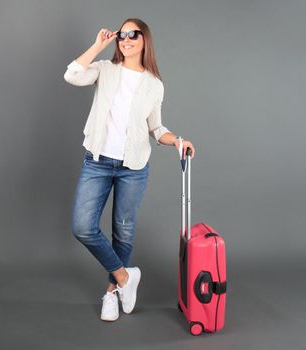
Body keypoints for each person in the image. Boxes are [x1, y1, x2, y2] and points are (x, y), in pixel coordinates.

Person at [64, 18, 196, 321]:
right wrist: (98, 44)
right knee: (83, 227)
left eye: (132, 34)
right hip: (97, 161)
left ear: (144, 40)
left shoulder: (154, 84)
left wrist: (177, 140)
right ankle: (125, 278)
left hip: (133, 167)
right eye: (121, 35)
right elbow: (72, 75)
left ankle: (112, 292)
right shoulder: (105, 69)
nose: (125, 39)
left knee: (123, 231)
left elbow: (156, 127)